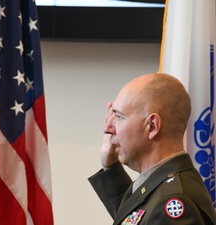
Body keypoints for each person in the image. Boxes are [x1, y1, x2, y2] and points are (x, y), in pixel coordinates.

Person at [88, 73, 216, 224]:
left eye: (119, 117)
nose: (108, 128)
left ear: (152, 126)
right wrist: (110, 168)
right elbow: (141, 216)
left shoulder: (172, 203)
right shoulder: (165, 187)